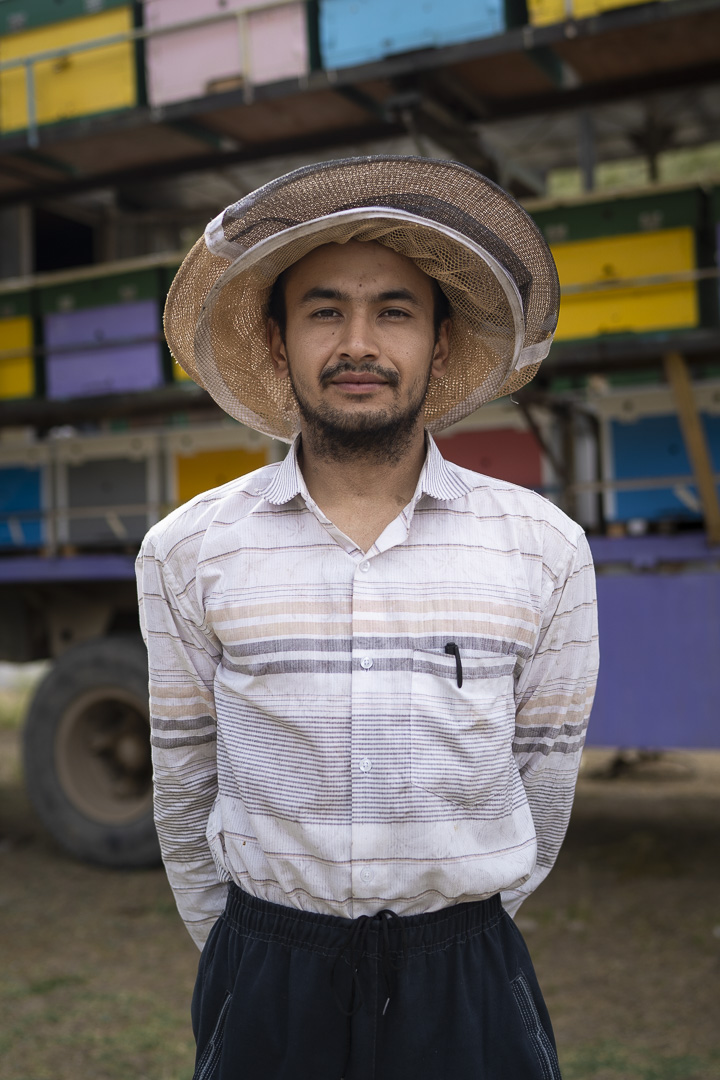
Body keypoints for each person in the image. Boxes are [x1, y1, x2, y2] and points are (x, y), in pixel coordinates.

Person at [136, 155, 599, 1080]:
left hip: (466, 977)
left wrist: (449, 936)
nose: (359, 342)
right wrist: (259, 953)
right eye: (323, 311)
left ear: (438, 337)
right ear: (277, 340)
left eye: (394, 310)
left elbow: (543, 782)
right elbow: (184, 779)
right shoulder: (188, 549)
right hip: (266, 974)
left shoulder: (543, 547)